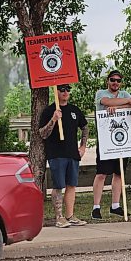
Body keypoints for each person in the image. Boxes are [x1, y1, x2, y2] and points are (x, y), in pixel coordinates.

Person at [91, 70, 131, 219]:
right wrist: (127, 102)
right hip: (107, 140)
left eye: (118, 81)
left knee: (119, 173)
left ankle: (115, 206)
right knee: (101, 173)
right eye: (113, 80)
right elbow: (107, 102)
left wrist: (119, 107)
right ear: (108, 80)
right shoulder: (100, 93)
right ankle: (96, 207)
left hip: (123, 140)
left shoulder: (125, 94)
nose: (115, 83)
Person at [39, 84, 88, 228]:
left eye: (68, 90)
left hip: (72, 153)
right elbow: (42, 133)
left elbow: (85, 127)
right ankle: (59, 217)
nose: (66, 92)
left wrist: (83, 146)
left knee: (71, 185)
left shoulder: (74, 110)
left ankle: (70, 215)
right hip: (56, 154)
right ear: (56, 92)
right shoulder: (49, 111)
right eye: (62, 90)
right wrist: (54, 119)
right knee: (58, 185)